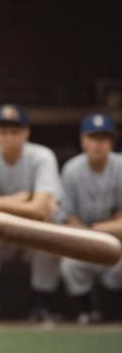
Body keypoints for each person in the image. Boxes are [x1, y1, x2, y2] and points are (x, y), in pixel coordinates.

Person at [0, 104, 62, 323]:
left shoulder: (42, 156)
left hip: (30, 229)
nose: (8, 137)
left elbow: (41, 209)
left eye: (14, 131)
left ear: (26, 133)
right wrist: (16, 200)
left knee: (52, 237)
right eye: (2, 131)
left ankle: (41, 304)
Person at [59, 113, 122, 324]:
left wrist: (102, 228)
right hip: (82, 237)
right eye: (93, 138)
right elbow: (67, 215)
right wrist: (88, 231)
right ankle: (85, 310)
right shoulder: (71, 169)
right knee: (69, 264)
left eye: (103, 139)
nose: (98, 144)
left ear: (111, 142)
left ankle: (111, 311)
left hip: (116, 238)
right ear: (83, 141)